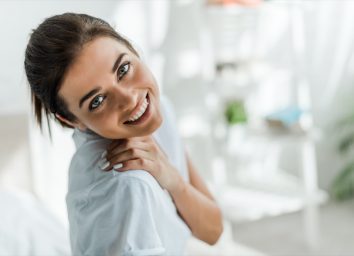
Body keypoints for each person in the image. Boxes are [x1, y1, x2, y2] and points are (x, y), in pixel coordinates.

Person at [24, 13, 223, 255]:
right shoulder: (126, 185)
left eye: (123, 69)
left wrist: (172, 179)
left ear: (132, 48)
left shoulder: (156, 109)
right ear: (72, 120)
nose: (129, 98)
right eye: (97, 101)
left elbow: (213, 230)